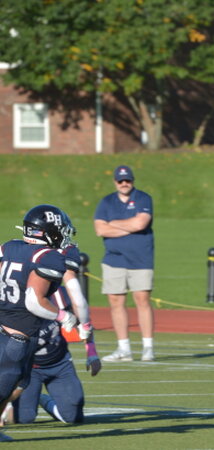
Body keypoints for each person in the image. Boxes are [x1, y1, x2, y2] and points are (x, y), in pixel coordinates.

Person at [0, 205, 79, 441]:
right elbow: (34, 302)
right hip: (16, 336)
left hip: (11, 329)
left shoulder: (9, 247)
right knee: (5, 386)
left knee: (17, 383)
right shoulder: (47, 256)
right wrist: (64, 316)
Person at [3, 286, 101, 425]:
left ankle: (44, 400)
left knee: (73, 416)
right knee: (24, 418)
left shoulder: (58, 294)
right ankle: (13, 407)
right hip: (29, 368)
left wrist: (92, 353)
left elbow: (83, 323)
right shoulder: (12, 301)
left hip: (59, 363)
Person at [94, 165, 155, 362]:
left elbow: (141, 223)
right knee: (115, 301)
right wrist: (129, 225)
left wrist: (113, 223)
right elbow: (100, 229)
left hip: (140, 258)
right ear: (115, 182)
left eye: (127, 180)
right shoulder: (106, 202)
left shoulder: (143, 198)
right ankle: (124, 349)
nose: (124, 183)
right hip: (114, 259)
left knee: (142, 300)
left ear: (132, 180)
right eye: (120, 181)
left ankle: (148, 347)